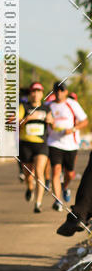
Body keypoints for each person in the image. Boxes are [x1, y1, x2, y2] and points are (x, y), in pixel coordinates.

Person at [48, 81, 87, 209]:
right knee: (56, 171)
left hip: (71, 144)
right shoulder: (48, 105)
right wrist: (48, 122)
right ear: (53, 92)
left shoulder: (72, 104)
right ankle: (57, 200)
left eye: (61, 90)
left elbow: (84, 121)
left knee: (70, 174)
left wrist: (73, 129)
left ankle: (65, 187)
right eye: (56, 90)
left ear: (66, 92)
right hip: (54, 143)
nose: (59, 93)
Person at [18, 82, 53, 213]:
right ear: (30, 93)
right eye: (33, 91)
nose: (36, 94)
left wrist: (51, 121)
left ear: (42, 94)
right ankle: (30, 188)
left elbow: (53, 125)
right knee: (28, 176)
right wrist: (28, 118)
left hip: (41, 144)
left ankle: (38, 203)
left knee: (39, 172)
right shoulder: (23, 106)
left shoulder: (46, 108)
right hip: (26, 144)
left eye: (38, 91)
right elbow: (16, 123)